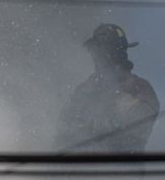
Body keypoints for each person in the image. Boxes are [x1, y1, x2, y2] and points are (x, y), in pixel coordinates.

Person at [56, 24, 159, 152]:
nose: (96, 56)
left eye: (102, 51)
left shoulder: (137, 87)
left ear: (117, 52)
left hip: (117, 168)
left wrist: (91, 133)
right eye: (95, 51)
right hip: (76, 168)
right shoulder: (85, 88)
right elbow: (63, 127)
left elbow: (135, 135)